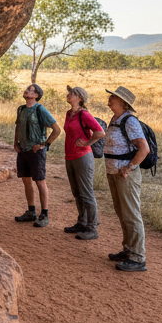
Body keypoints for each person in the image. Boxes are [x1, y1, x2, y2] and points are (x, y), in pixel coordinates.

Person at [103, 86, 149, 272]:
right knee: (122, 212)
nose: (110, 99)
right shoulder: (116, 119)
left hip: (125, 174)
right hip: (114, 171)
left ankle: (138, 258)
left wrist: (129, 167)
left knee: (131, 214)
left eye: (113, 97)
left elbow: (143, 149)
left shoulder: (129, 121)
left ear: (122, 102)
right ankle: (128, 250)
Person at [13, 83, 61, 228]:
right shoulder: (21, 109)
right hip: (23, 150)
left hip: (36, 152)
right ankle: (31, 211)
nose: (26, 91)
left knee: (40, 182)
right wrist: (16, 143)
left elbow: (57, 129)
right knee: (26, 181)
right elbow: (18, 126)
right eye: (27, 89)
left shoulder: (40, 109)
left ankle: (44, 214)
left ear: (36, 95)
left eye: (30, 90)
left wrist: (44, 144)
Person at [60, 85, 105, 240]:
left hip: (83, 157)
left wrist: (87, 143)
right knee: (77, 192)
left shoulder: (84, 114)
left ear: (79, 97)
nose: (68, 94)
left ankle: (92, 228)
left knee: (86, 193)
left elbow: (100, 132)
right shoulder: (69, 113)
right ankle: (82, 222)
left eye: (71, 93)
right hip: (70, 156)